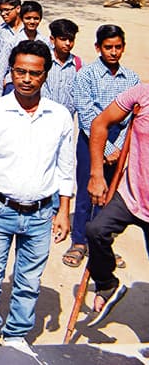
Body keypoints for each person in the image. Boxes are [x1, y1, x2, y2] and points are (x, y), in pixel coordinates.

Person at [0, 40, 75, 353]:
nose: (26, 78)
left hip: (42, 213)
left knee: (28, 282)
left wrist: (63, 211)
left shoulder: (60, 116)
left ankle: (15, 336)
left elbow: (65, 168)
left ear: (46, 75)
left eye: (34, 73)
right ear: (10, 72)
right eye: (20, 71)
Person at [65, 25, 140, 268]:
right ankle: (79, 242)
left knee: (109, 194)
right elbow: (87, 116)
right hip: (91, 141)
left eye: (118, 47)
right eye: (108, 47)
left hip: (120, 142)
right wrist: (106, 148)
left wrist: (118, 147)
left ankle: (100, 245)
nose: (113, 52)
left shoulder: (132, 78)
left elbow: (131, 118)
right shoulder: (86, 75)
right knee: (88, 191)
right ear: (98, 48)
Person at [84, 81, 149, 323]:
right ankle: (107, 282)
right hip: (131, 195)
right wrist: (97, 174)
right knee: (95, 230)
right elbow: (100, 123)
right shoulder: (142, 94)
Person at [0, 0, 49, 100]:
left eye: (36, 18)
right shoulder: (13, 42)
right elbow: (1, 71)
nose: (32, 22)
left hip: (37, 87)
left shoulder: (45, 42)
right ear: (22, 19)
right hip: (13, 86)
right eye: (28, 18)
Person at [43, 19, 81, 115]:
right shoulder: (43, 60)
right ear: (52, 39)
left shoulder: (78, 64)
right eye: (63, 39)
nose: (68, 43)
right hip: (43, 115)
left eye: (71, 39)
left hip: (67, 118)